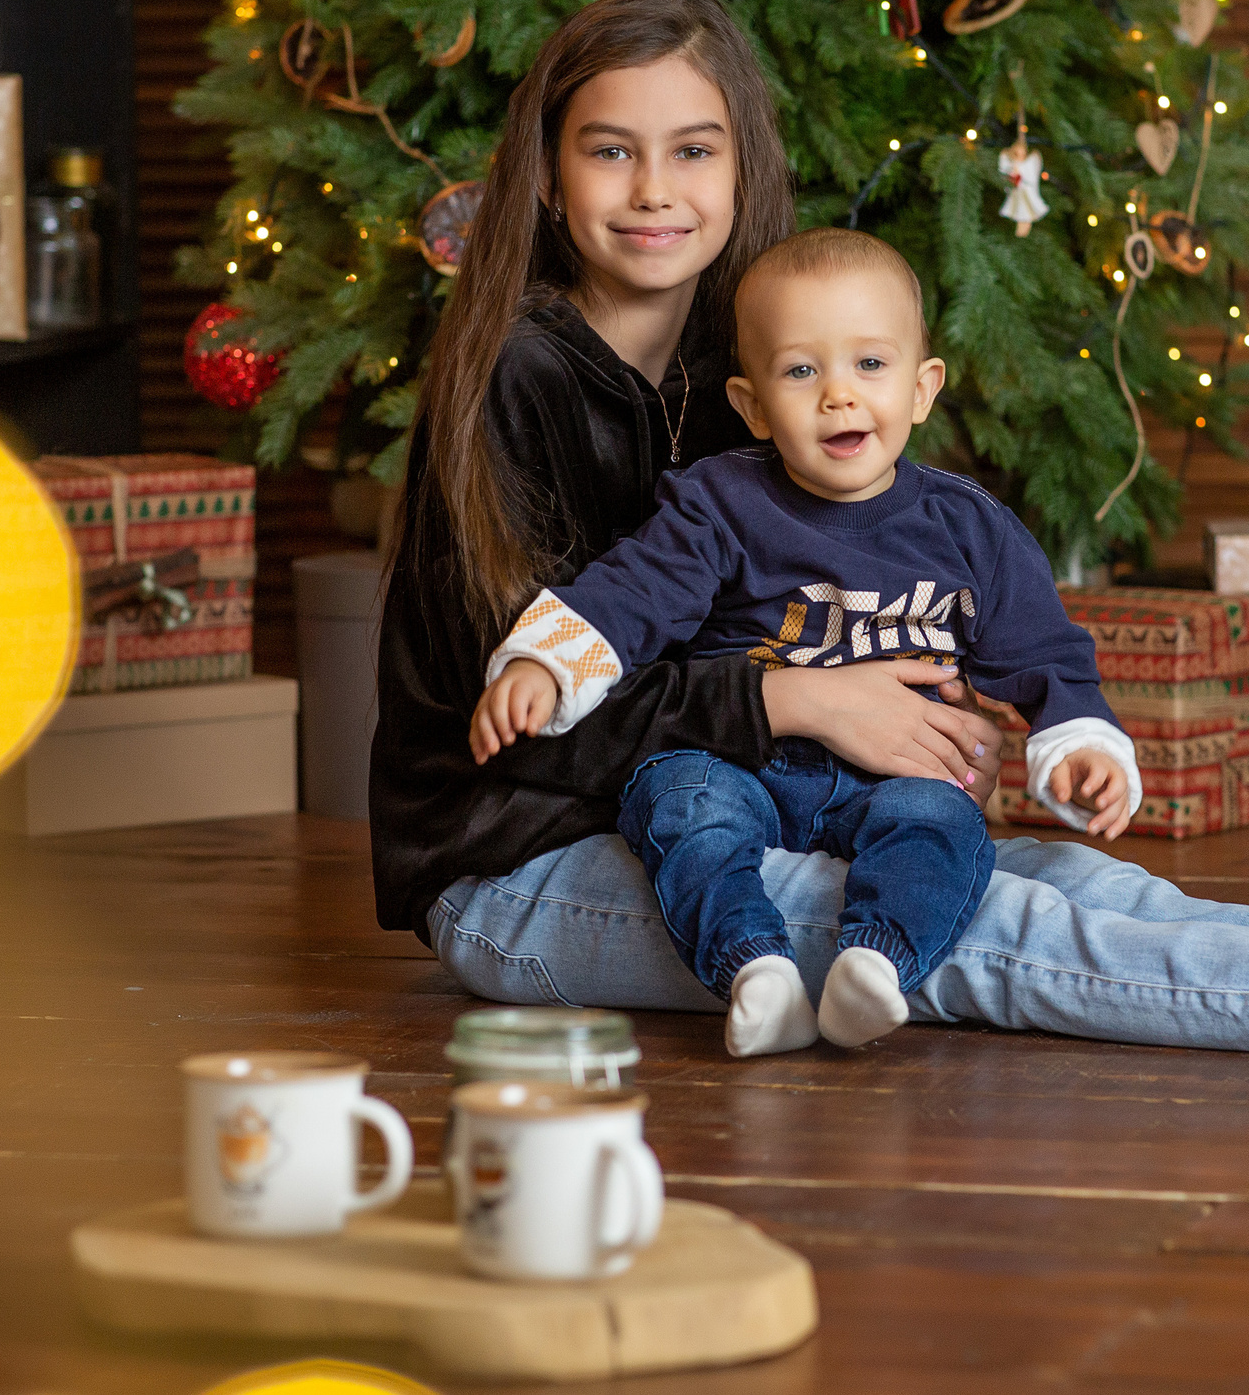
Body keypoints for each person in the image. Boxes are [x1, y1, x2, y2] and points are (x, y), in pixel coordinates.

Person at [372, 0, 1249, 1061]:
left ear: (742, 166)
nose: (655, 188)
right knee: (995, 928)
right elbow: (531, 707)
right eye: (610, 151)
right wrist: (800, 697)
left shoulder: (749, 372)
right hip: (525, 872)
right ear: (550, 176)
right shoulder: (510, 377)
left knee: (1033, 866)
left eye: (692, 148)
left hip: (731, 802)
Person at [468, 229, 1143, 1058]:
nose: (838, 396)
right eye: (801, 370)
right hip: (744, 764)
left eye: (870, 364)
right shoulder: (721, 501)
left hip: (891, 776)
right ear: (752, 405)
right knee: (678, 800)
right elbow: (633, 591)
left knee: (942, 820)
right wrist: (549, 658)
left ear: (923, 387)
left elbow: (1048, 652)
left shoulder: (971, 529)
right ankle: (755, 968)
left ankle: (876, 964)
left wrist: (1079, 740)